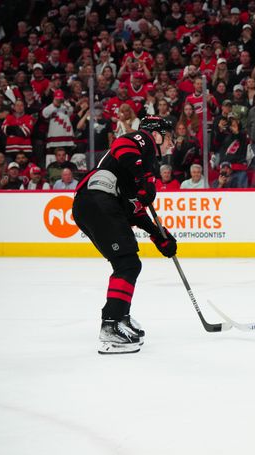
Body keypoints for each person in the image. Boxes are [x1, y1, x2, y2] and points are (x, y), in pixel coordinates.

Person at [71, 116, 177, 354]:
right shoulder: (143, 140)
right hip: (97, 200)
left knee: (128, 263)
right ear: (157, 134)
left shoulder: (135, 166)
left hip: (96, 204)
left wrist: (159, 235)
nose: (172, 144)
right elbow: (122, 144)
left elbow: (134, 212)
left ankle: (120, 319)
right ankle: (110, 325)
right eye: (169, 137)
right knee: (128, 264)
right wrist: (144, 178)